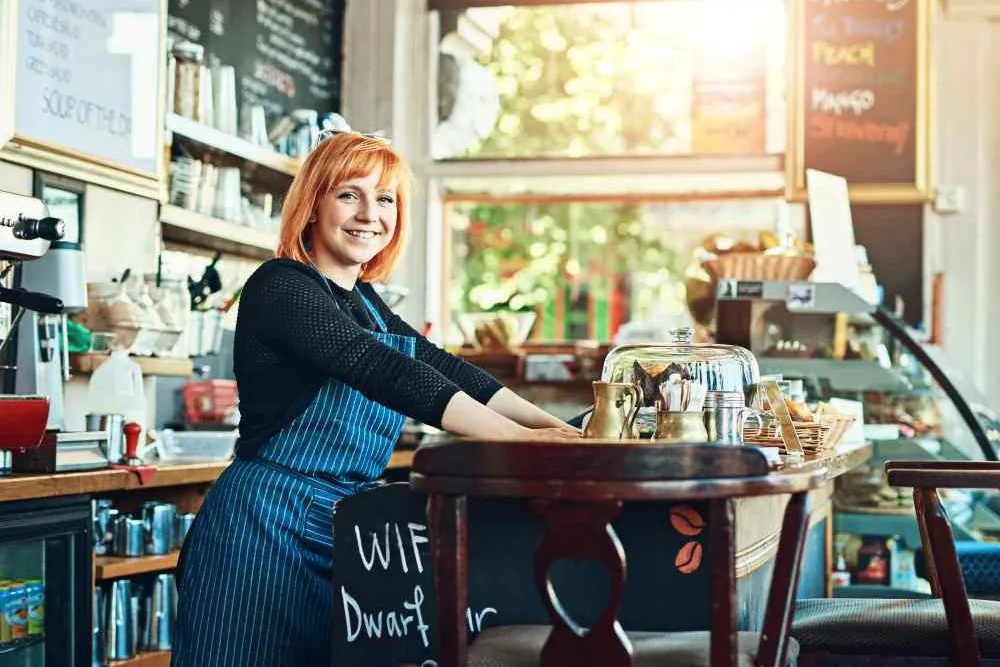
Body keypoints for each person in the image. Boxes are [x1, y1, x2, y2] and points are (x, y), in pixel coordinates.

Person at [172, 130, 579, 666]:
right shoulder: (280, 286)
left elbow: (440, 367)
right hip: (262, 529)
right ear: (313, 204)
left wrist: (559, 430)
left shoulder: (363, 301)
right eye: (349, 194)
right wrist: (525, 443)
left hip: (339, 527)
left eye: (384, 199)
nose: (370, 214)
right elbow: (380, 368)